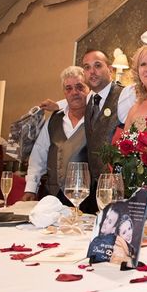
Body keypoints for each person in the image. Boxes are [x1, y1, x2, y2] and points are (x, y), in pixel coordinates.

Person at [22, 66, 90, 208]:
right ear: (64, 92)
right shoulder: (53, 120)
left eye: (79, 87)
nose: (74, 92)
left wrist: (58, 104)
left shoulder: (97, 120)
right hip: (52, 198)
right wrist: (31, 187)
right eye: (68, 88)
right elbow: (39, 154)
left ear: (89, 89)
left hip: (86, 200)